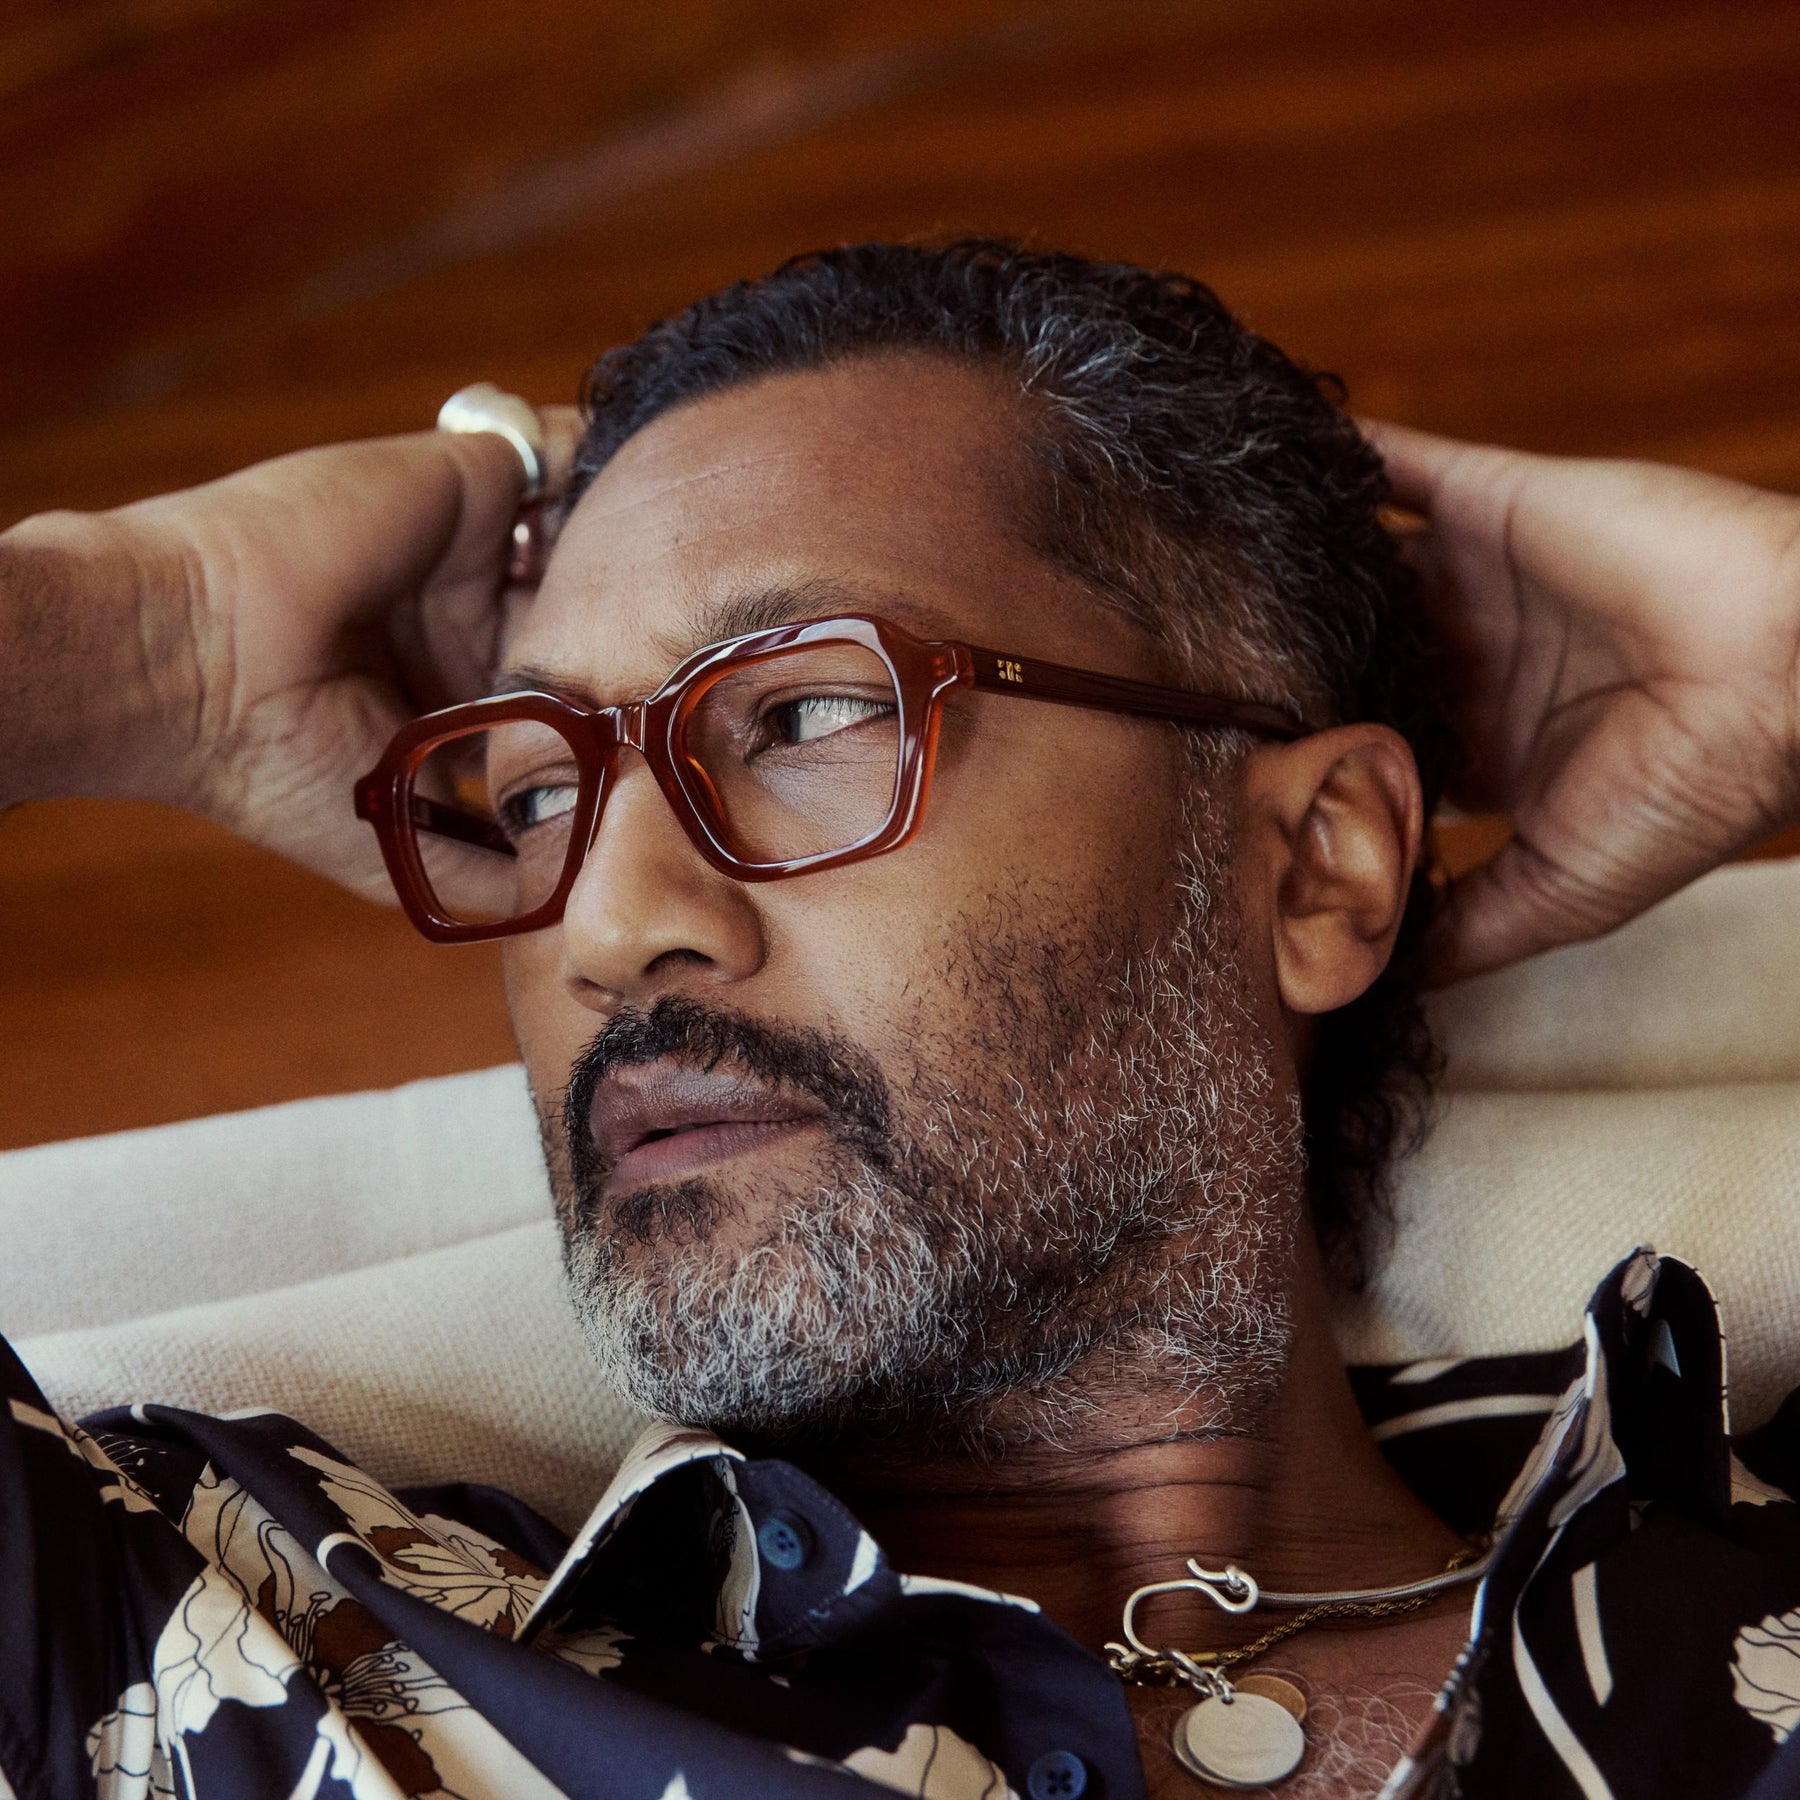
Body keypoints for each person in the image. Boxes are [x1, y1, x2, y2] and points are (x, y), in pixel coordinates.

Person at [3, 240, 1799, 1800]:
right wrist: (141, 642)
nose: (609, 929)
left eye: (803, 717)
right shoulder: (265, 1650)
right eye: (540, 792)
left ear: (1316, 867)